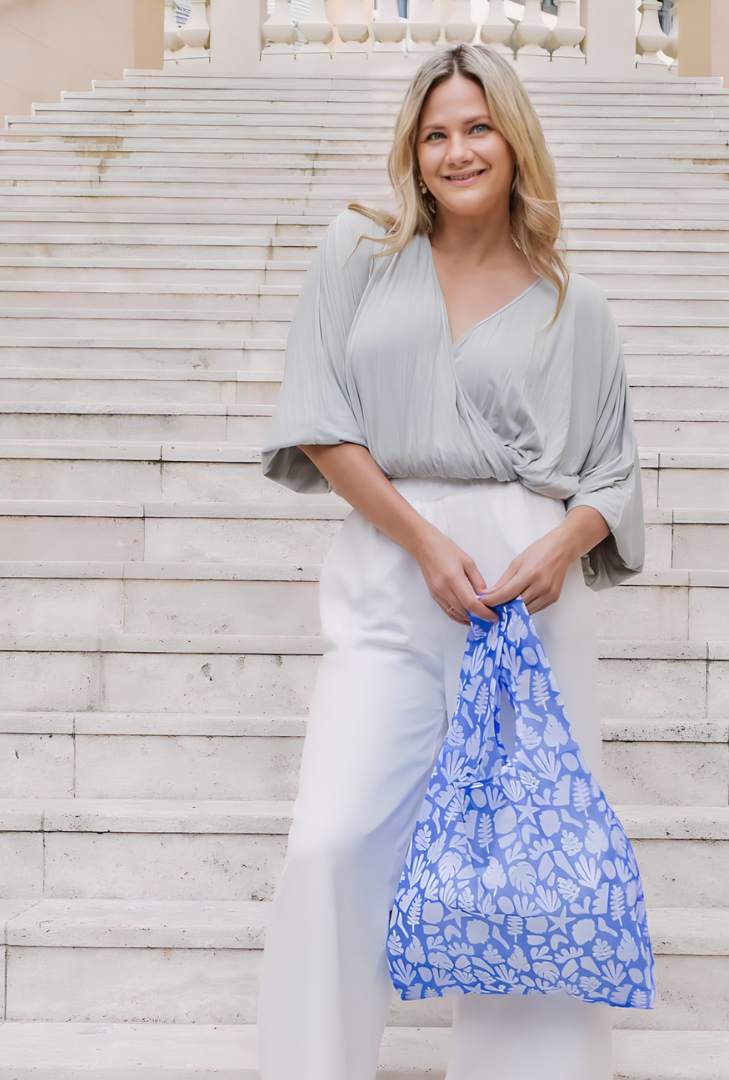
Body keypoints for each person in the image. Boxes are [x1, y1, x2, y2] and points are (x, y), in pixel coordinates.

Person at [256, 42, 644, 1080]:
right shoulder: (358, 252)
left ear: (515, 141)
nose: (457, 151)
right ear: (412, 150)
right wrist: (423, 539)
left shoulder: (573, 304)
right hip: (391, 579)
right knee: (333, 838)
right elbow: (319, 418)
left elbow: (613, 473)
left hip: (528, 601)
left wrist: (564, 544)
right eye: (435, 133)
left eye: (477, 128)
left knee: (529, 859)